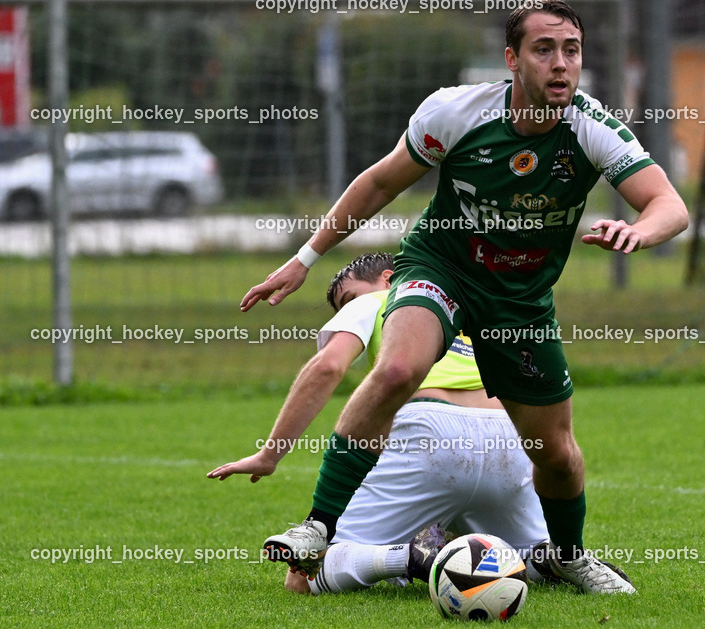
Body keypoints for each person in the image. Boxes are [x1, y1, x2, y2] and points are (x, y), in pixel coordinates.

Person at [239, 0, 688, 594]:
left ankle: (568, 555)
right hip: (442, 266)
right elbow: (377, 183)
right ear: (512, 59)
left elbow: (670, 206)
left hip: (521, 300)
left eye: (572, 51)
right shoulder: (456, 111)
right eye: (544, 50)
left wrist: (640, 230)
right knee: (398, 367)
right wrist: (305, 259)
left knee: (555, 452)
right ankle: (319, 526)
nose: (561, 64)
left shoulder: (591, 128)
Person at [207, 252, 553, 594]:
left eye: (348, 298)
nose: (347, 309)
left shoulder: (382, 299)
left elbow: (326, 367)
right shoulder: (460, 307)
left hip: (432, 433)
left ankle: (410, 557)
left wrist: (270, 455)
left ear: (389, 278)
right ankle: (558, 558)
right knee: (524, 557)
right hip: (508, 437)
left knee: (302, 578)